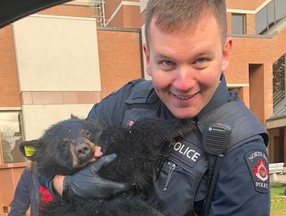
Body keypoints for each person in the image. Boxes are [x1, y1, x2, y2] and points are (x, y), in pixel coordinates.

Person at [42, 0, 270, 215]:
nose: (183, 84)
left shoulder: (241, 147)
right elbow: (46, 159)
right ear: (148, 57)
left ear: (225, 54)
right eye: (167, 63)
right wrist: (66, 185)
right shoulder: (127, 101)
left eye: (200, 60)